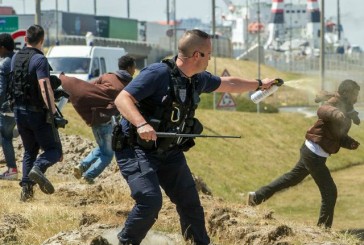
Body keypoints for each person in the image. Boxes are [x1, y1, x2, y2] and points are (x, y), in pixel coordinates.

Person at [113, 29, 276, 245]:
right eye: (208, 53)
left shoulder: (196, 79)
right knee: (150, 201)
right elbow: (122, 99)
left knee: (191, 204)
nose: (211, 58)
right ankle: (125, 242)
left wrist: (259, 84)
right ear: (197, 55)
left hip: (169, 152)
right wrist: (141, 123)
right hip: (137, 149)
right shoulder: (157, 74)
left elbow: (229, 84)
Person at [247, 79, 360, 229]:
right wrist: (340, 114)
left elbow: (335, 134)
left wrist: (350, 143)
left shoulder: (345, 107)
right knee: (330, 192)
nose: (356, 98)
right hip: (314, 154)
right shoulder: (335, 103)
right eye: (354, 95)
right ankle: (323, 229)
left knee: (291, 179)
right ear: (346, 93)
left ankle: (256, 197)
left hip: (312, 152)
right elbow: (323, 110)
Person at [59, 55, 136, 184]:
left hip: (95, 117)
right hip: (106, 121)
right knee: (108, 155)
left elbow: (90, 88)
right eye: (134, 67)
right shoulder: (129, 86)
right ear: (129, 68)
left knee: (102, 148)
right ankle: (88, 176)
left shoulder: (107, 76)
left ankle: (82, 166)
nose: (135, 70)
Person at [10, 25, 63, 201]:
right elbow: (44, 86)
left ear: (25, 39)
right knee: (54, 150)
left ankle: (26, 192)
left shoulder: (16, 57)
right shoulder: (40, 59)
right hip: (36, 112)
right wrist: (53, 111)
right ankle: (38, 168)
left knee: (29, 150)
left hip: (18, 110)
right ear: (42, 40)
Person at [0, 33, 17, 180]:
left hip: (6, 108)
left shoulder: (4, 63)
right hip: (21, 106)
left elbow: (1, 90)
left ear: (3, 48)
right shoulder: (18, 59)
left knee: (5, 137)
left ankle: (12, 169)